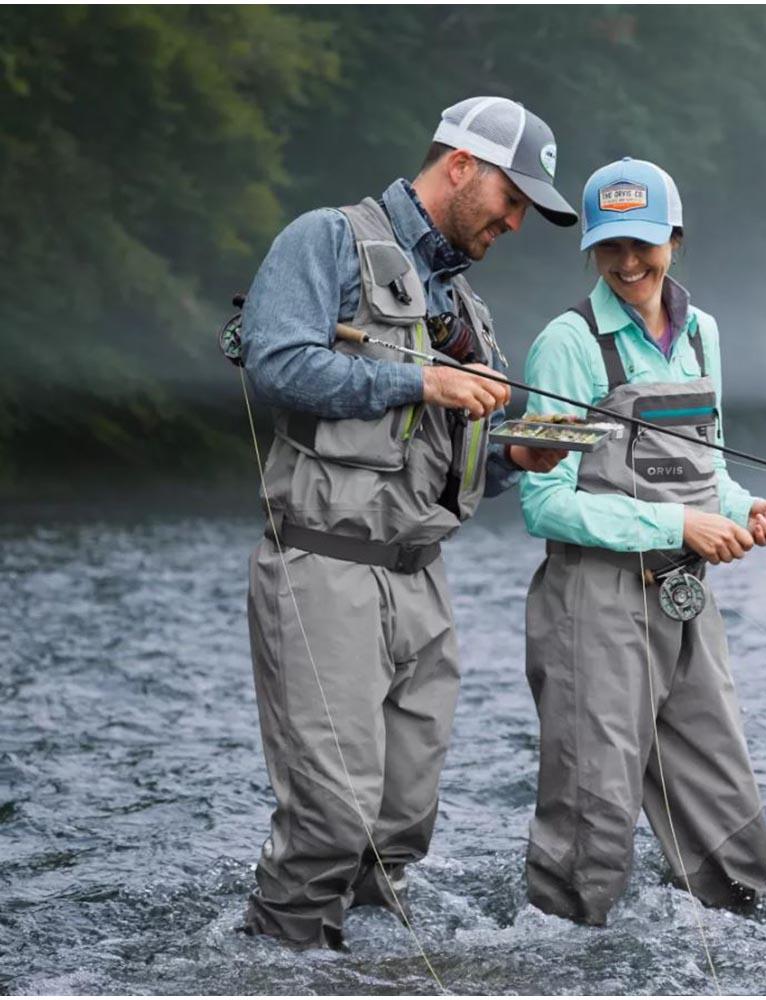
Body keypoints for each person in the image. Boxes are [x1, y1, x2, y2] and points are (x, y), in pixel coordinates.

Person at [239, 96, 577, 949]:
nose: (517, 220)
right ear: (461, 165)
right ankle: (272, 961)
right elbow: (278, 361)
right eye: (513, 198)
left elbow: (445, 464)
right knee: (331, 815)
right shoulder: (328, 239)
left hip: (421, 580)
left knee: (401, 822)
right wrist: (421, 382)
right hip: (325, 567)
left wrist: (514, 459)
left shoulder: (472, 315)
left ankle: (361, 964)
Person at [518, 157, 766, 926]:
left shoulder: (703, 334)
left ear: (675, 236)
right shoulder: (566, 345)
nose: (629, 263)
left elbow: (709, 474)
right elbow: (542, 503)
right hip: (592, 604)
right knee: (594, 815)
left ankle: (742, 937)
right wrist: (682, 525)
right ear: (591, 249)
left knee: (727, 809)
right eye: (611, 248)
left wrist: (744, 511)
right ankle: (566, 954)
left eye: (644, 243)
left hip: (686, 597)